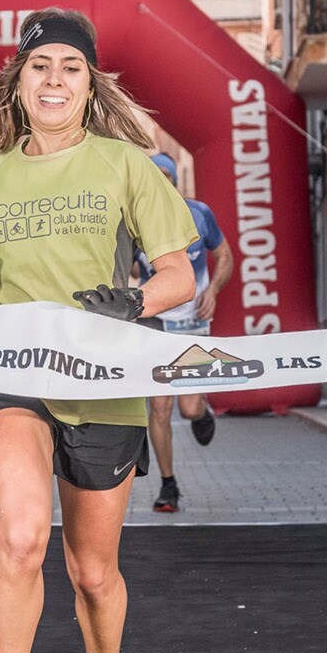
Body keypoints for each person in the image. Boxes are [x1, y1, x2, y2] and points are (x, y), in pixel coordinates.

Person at [0, 8, 195, 653]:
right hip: (12, 377)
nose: (54, 79)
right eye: (39, 65)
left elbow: (179, 274)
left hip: (104, 383)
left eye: (69, 67)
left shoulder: (126, 165)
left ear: (89, 84)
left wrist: (136, 303)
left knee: (91, 570)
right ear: (18, 81)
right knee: (19, 537)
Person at [139, 152, 234, 514]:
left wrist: (212, 291)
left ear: (176, 181)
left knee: (188, 406)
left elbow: (224, 256)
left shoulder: (199, 213)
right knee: (160, 407)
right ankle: (168, 485)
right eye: (154, 175)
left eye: (166, 175)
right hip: (156, 323)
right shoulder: (136, 221)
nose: (161, 181)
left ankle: (201, 412)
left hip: (193, 321)